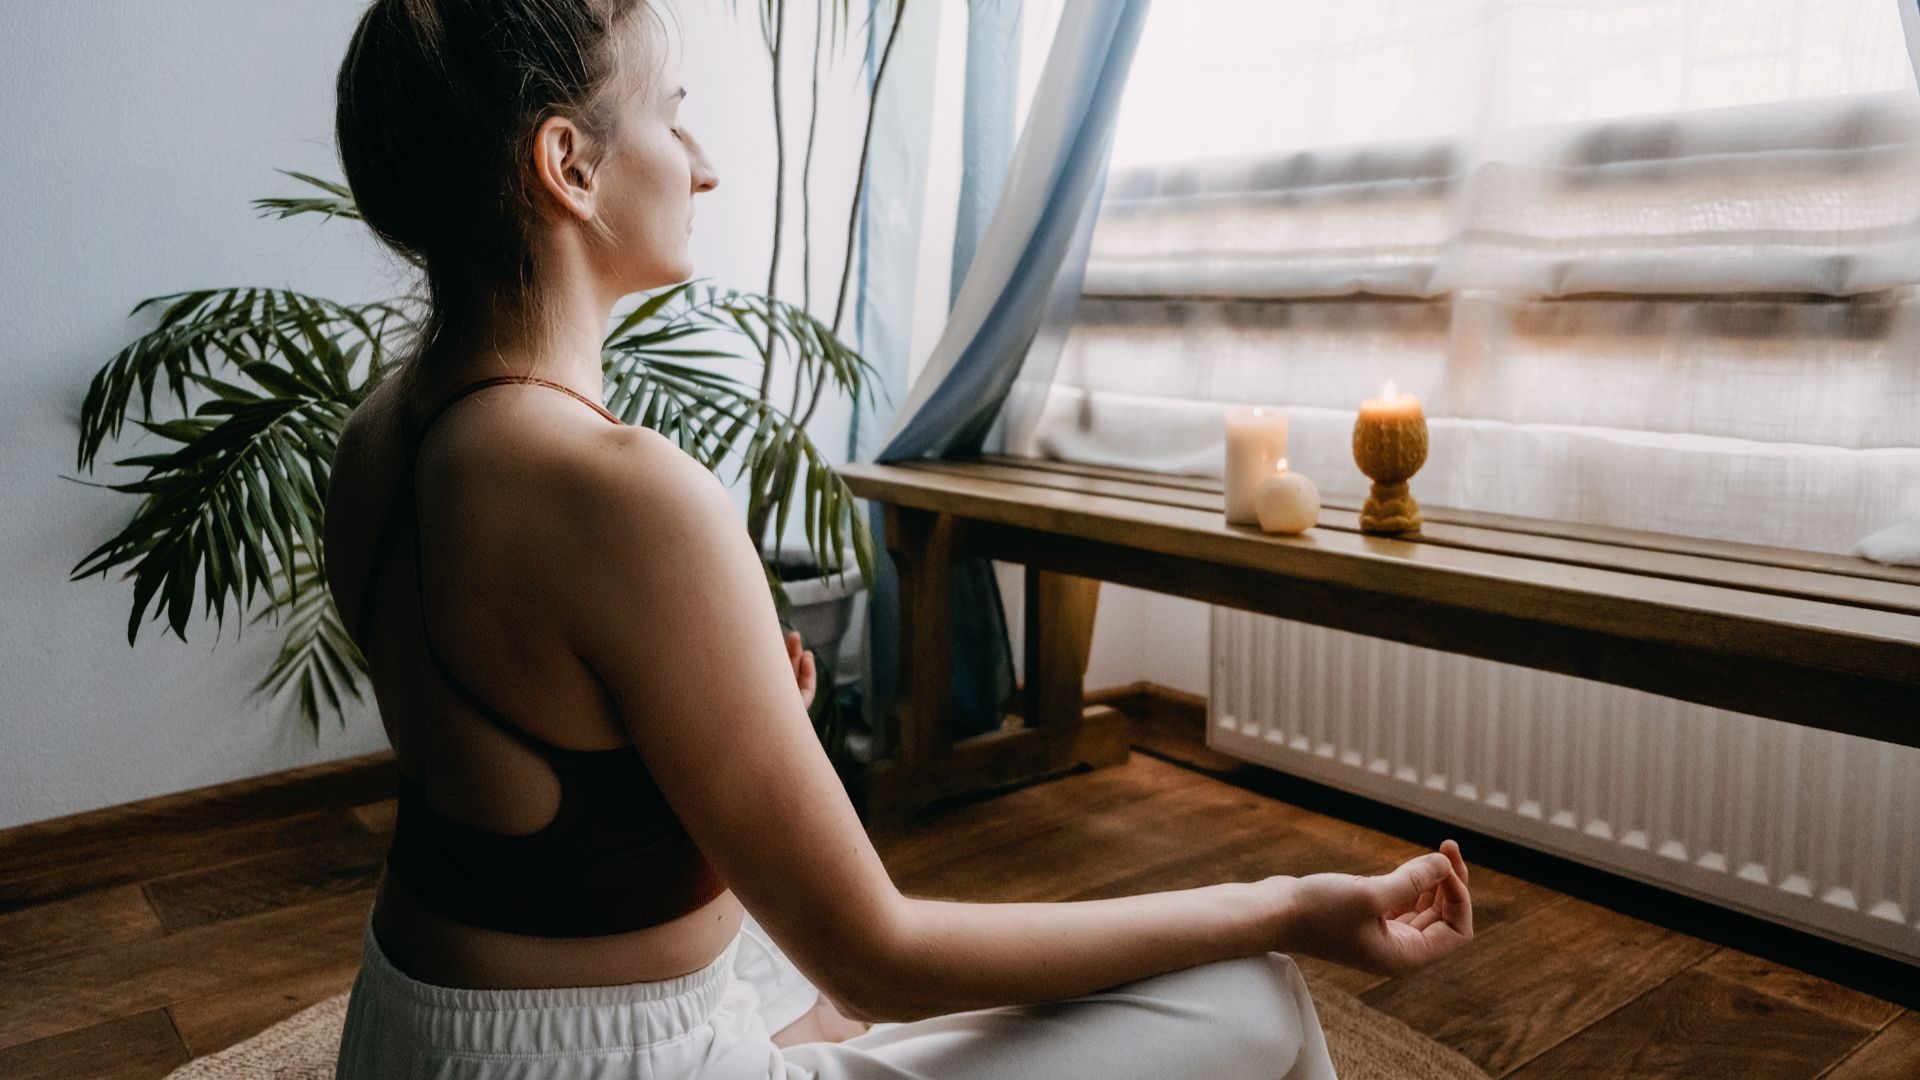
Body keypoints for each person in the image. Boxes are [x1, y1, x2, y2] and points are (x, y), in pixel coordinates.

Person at [321, 2, 1477, 1077]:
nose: (705, 162)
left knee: (800, 970)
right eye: (673, 113)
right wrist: (1286, 903)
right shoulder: (620, 491)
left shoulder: (381, 436)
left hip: (414, 1033)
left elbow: (523, 807)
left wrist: (706, 726)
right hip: (593, 1060)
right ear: (569, 164)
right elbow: (882, 956)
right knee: (1253, 997)